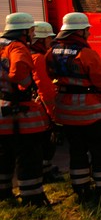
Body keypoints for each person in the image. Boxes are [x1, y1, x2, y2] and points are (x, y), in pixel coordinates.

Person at [46, 12, 101, 204]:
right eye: (87, 30)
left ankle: (81, 189)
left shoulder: (51, 52)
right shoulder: (85, 53)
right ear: (80, 31)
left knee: (77, 152)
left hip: (66, 111)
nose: (88, 33)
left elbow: (49, 73)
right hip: (92, 112)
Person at [0, 13, 51, 206]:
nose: (32, 34)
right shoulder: (18, 47)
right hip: (20, 110)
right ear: (22, 31)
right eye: (30, 30)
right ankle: (32, 197)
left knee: (4, 154)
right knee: (28, 154)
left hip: (2, 106)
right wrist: (26, 84)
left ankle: (3, 192)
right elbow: (19, 69)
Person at [30, 21, 65, 184]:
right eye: (49, 39)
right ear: (41, 40)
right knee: (46, 143)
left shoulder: (28, 54)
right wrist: (54, 115)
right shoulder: (38, 58)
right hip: (40, 109)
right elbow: (45, 89)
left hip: (32, 108)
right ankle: (44, 173)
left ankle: (44, 171)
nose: (51, 43)